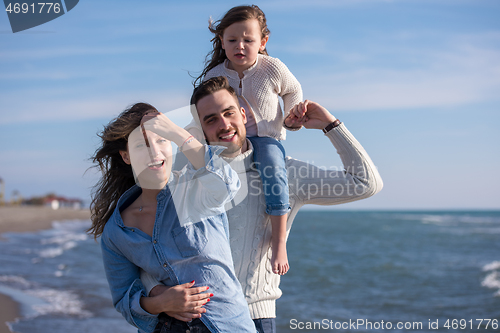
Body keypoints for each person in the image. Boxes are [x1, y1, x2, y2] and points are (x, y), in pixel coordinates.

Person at [143, 76, 384, 333]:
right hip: (192, 319)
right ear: (200, 129)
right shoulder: (185, 176)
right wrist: (158, 297)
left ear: (244, 114)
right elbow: (151, 246)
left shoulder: (285, 173)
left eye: (229, 113)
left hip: (256, 316)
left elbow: (365, 183)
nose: (224, 124)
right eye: (211, 119)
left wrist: (330, 125)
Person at [87, 102, 256, 333]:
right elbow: (124, 299)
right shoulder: (117, 231)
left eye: (161, 140)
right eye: (141, 145)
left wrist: (178, 134)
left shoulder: (197, 190)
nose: (154, 153)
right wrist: (160, 302)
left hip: (227, 326)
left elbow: (228, 184)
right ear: (126, 156)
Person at [191, 4, 303, 275]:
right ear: (222, 41)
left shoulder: (272, 68)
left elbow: (293, 90)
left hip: (265, 139)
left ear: (263, 42)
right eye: (232, 40)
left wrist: (291, 117)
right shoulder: (215, 75)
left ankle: (278, 241)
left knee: (275, 170)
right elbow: (201, 109)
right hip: (226, 141)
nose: (240, 46)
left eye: (248, 40)